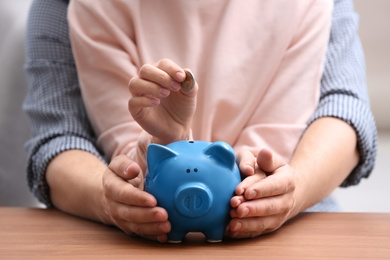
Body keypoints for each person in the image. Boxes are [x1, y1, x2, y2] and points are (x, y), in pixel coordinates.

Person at [24, 0, 377, 243]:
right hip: (118, 240)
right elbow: (57, 139)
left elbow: (346, 110)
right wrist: (110, 198)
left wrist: (292, 190)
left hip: (293, 230)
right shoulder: (75, 6)